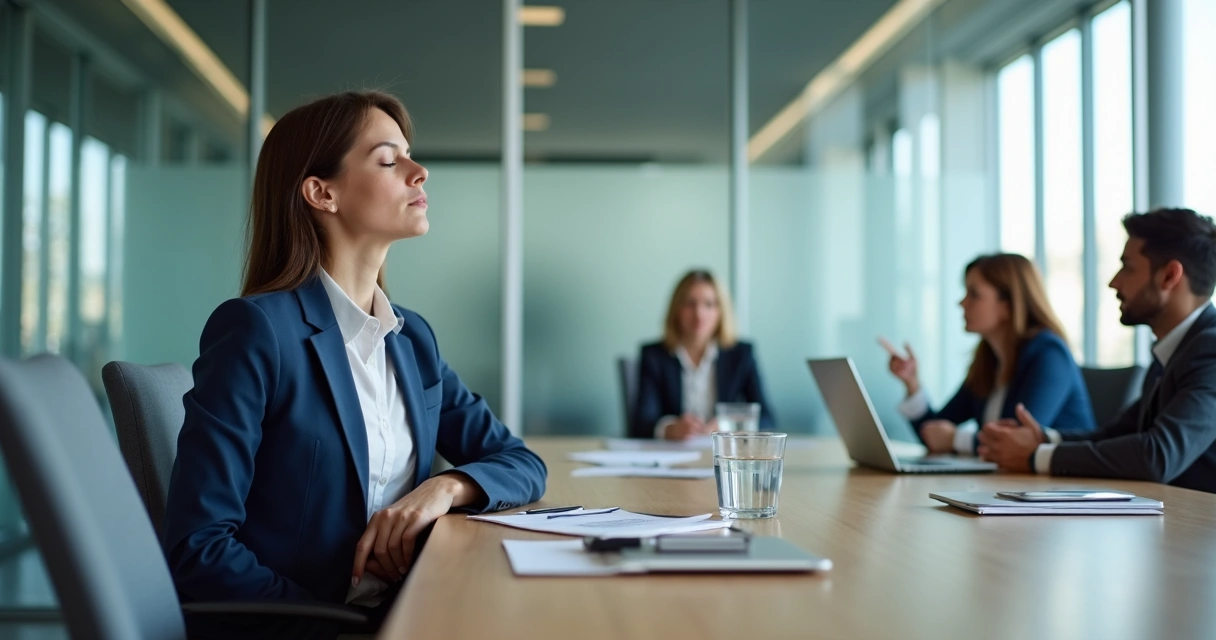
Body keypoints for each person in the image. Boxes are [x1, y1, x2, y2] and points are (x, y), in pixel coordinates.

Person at [160, 91, 547, 636]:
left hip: (406, 608)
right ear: (322, 193)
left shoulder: (411, 340)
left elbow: (520, 461)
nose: (419, 172)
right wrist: (339, 626)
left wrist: (443, 488)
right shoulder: (257, 332)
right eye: (390, 160)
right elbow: (198, 547)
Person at [979, 208, 1216, 493]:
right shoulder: (1175, 350)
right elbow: (1114, 435)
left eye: (1127, 267)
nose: (1113, 282)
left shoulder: (1209, 350)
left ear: (1169, 276)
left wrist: (1034, 456)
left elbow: (1157, 455)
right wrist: (1044, 439)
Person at [883, 254, 1096, 455]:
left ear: (1008, 305)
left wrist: (955, 439)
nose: (962, 303)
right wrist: (912, 384)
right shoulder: (990, 361)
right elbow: (933, 433)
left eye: (974, 294)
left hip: (1061, 489)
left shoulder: (1050, 355)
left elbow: (1016, 441)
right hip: (1011, 486)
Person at [632, 270, 775, 440]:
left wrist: (728, 425)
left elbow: (767, 419)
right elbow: (641, 423)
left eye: (709, 304)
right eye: (690, 303)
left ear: (721, 311)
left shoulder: (741, 354)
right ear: (677, 309)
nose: (699, 314)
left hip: (724, 455)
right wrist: (671, 429)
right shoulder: (654, 356)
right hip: (674, 456)